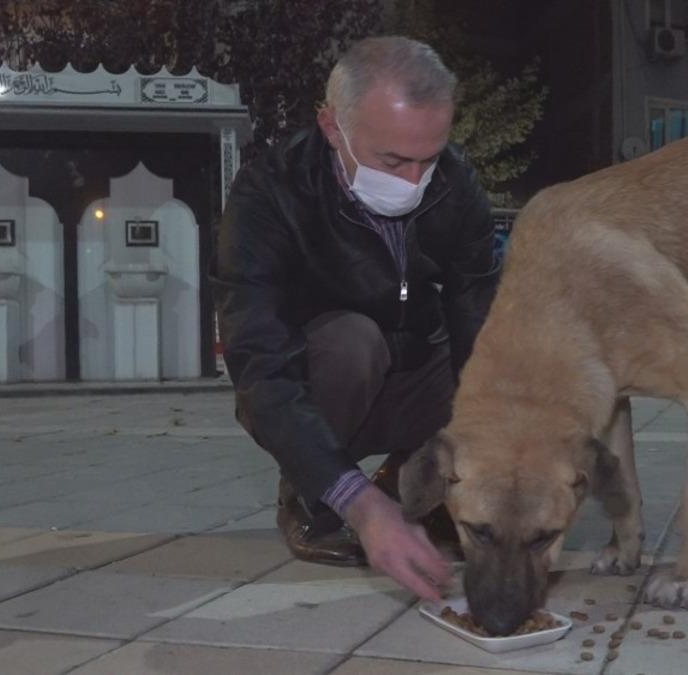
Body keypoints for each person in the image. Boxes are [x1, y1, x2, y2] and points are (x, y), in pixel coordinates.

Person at [212, 36, 500, 600]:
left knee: (494, 364)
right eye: (392, 160)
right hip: (322, 385)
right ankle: (314, 491)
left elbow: (476, 310)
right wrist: (362, 509)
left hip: (414, 375)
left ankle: (412, 482)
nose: (415, 180)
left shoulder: (456, 181)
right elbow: (259, 363)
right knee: (352, 341)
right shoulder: (270, 194)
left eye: (430, 157)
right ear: (330, 126)